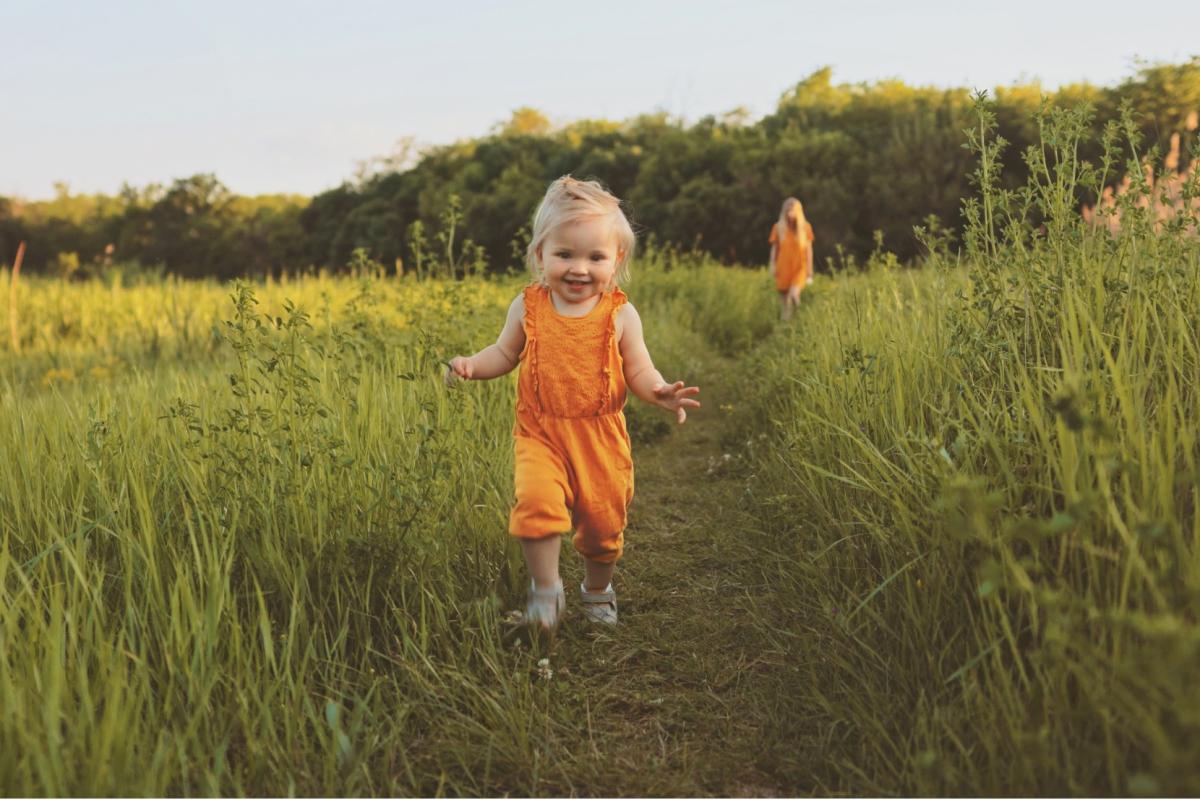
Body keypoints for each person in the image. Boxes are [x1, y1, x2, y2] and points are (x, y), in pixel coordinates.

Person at [445, 176, 700, 632]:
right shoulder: (527, 307)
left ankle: (597, 590)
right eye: (565, 254)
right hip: (540, 431)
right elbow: (504, 354)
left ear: (616, 260)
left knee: (603, 527)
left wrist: (659, 390)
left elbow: (638, 369)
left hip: (599, 436)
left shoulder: (620, 313)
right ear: (540, 254)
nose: (579, 268)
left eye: (595, 257)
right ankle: (546, 592)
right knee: (537, 504)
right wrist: (470, 365)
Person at [768, 197, 815, 320]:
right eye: (788, 211)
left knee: (794, 295)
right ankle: (787, 327)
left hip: (800, 267)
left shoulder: (806, 228)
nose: (790, 214)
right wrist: (772, 266)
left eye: (793, 211)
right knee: (785, 303)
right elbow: (774, 250)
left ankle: (802, 317)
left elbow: (809, 251)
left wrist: (809, 272)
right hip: (783, 268)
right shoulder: (778, 228)